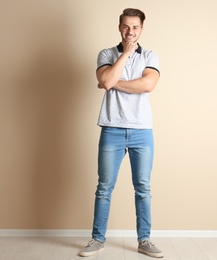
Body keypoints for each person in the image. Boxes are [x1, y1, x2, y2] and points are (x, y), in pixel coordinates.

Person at [79, 8, 163, 258]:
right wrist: (125, 55)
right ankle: (97, 239)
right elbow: (106, 80)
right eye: (126, 27)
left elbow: (147, 85)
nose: (130, 32)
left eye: (135, 27)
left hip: (142, 131)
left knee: (143, 188)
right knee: (104, 188)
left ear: (141, 29)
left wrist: (112, 82)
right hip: (112, 128)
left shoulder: (150, 55)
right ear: (119, 27)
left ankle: (144, 240)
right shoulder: (106, 53)